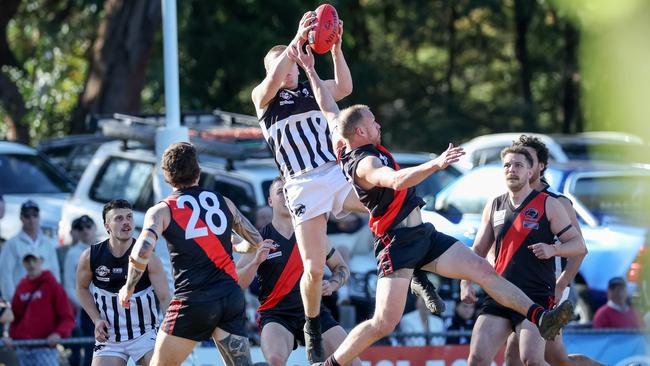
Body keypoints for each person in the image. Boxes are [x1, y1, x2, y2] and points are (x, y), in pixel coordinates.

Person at [289, 42, 577, 366]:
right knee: (384, 322)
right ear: (361, 131)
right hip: (396, 244)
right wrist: (436, 164)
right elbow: (397, 180)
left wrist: (311, 68)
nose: (379, 124)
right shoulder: (364, 163)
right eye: (373, 122)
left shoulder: (343, 139)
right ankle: (330, 365)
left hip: (423, 236)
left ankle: (541, 316)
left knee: (484, 270)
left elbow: (330, 109)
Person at [252, 13, 440, 362]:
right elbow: (276, 74)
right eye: (282, 66)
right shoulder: (265, 99)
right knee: (314, 267)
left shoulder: (310, 86)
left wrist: (336, 49)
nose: (289, 70)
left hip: (335, 173)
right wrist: (295, 42)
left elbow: (346, 88)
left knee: (395, 203)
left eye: (291, 65)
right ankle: (311, 325)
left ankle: (414, 271)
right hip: (302, 184)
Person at [118, 142, 273, 366]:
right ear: (198, 172)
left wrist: (129, 286)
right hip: (230, 297)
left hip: (193, 301)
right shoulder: (224, 202)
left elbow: (142, 249)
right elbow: (256, 243)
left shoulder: (163, 210)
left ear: (167, 176)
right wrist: (235, 246)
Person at [461, 146, 587, 366]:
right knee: (477, 359)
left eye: (518, 165)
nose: (512, 170)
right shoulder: (495, 205)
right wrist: (465, 281)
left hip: (536, 297)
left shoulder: (550, 203)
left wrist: (553, 250)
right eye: (507, 165)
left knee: (534, 360)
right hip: (499, 294)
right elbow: (479, 250)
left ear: (531, 172)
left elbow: (579, 245)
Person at [236, 177, 361, 366]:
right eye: (280, 192)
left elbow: (341, 268)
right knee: (275, 360)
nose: (286, 197)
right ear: (270, 201)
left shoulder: (313, 232)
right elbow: (236, 283)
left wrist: (333, 284)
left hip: (314, 312)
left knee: (353, 362)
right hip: (276, 314)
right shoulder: (258, 238)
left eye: (289, 192)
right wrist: (255, 262)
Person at [504, 135, 604, 366]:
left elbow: (579, 249)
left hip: (546, 290)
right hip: (516, 289)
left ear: (540, 166)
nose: (520, 164)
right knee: (550, 359)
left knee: (532, 358)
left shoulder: (557, 201)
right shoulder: (510, 200)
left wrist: (561, 284)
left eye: (528, 158)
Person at [76, 200, 171, 366]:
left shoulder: (148, 257)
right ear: (107, 226)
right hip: (110, 337)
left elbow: (164, 298)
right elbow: (81, 289)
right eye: (118, 218)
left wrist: (170, 333)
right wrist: (97, 320)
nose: (126, 222)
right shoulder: (90, 256)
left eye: (129, 217)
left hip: (144, 333)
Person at [9, 253, 75, 366]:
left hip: (46, 348)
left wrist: (58, 333)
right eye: (27, 261)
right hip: (24, 348)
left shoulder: (53, 285)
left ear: (41, 261)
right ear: (23, 264)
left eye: (34, 260)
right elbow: (15, 318)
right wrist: (13, 338)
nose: (31, 264)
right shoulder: (21, 287)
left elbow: (67, 316)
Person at [0, 200, 60, 301]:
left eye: (34, 215)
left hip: (45, 299)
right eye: (27, 216)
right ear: (21, 218)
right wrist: (13, 301)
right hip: (23, 300)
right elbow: (5, 274)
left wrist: (55, 297)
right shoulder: (12, 244)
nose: (31, 219)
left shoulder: (48, 243)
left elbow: (55, 273)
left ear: (39, 217)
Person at [64, 215, 97, 366]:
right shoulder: (73, 254)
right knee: (90, 347)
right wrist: (86, 305)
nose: (85, 230)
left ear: (95, 228)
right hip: (85, 310)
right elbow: (69, 286)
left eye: (88, 226)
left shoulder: (106, 247)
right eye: (80, 228)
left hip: (108, 306)